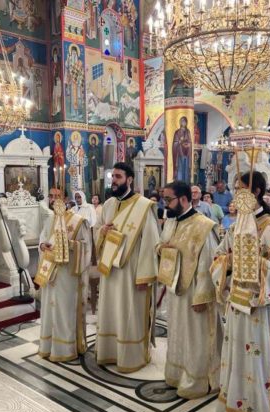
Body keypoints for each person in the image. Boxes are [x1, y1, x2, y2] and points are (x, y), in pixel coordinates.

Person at [213, 171, 270, 412]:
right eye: (235, 189)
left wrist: (256, 264)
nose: (236, 195)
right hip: (237, 307)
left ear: (256, 192)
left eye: (241, 189)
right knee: (236, 361)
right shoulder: (235, 226)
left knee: (259, 365)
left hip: (262, 312)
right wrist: (229, 262)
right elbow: (218, 258)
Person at [157, 181, 221, 399]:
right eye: (164, 199)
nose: (165, 204)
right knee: (178, 334)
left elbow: (209, 263)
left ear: (183, 199)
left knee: (196, 338)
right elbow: (161, 245)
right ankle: (176, 375)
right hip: (175, 289)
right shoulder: (171, 221)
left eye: (168, 199)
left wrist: (202, 296)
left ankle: (197, 380)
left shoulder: (204, 226)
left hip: (194, 292)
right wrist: (161, 249)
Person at [95, 162, 160, 373]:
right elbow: (97, 229)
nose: (113, 181)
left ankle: (131, 356)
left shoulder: (143, 206)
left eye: (118, 177)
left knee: (128, 312)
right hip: (110, 269)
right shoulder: (108, 204)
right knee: (110, 311)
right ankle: (109, 351)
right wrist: (102, 231)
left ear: (129, 179)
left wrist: (145, 276)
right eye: (112, 176)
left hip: (131, 272)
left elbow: (151, 243)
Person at [36, 196, 92, 362]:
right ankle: (48, 346)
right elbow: (43, 238)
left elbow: (86, 247)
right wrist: (42, 245)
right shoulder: (50, 219)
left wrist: (69, 245)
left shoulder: (79, 221)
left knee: (65, 309)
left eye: (57, 198)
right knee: (49, 308)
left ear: (65, 201)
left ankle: (66, 348)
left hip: (68, 274)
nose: (54, 202)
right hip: (50, 271)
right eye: (52, 199)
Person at [172, 116, 192, 181]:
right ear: (180, 122)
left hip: (187, 153)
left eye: (184, 121)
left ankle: (186, 183)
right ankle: (179, 182)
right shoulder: (177, 132)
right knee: (180, 168)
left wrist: (188, 144)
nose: (183, 123)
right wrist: (179, 141)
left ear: (186, 123)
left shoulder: (188, 131)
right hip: (180, 153)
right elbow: (175, 143)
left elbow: (190, 141)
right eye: (182, 121)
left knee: (186, 168)